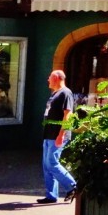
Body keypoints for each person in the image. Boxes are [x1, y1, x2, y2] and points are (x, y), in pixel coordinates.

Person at [37, 69, 77, 204]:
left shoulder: (66, 93)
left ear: (57, 78)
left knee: (52, 163)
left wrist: (62, 134)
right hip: (48, 134)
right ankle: (51, 195)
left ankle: (73, 186)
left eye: (50, 77)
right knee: (46, 165)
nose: (48, 79)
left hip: (57, 135)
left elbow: (68, 115)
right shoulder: (54, 94)